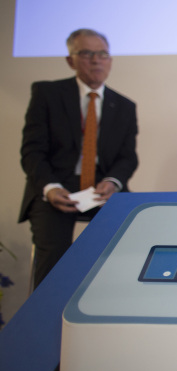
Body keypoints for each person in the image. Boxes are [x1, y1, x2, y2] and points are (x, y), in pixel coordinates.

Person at [19, 28, 138, 289]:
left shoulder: (125, 106)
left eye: (102, 54)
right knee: (54, 255)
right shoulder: (47, 94)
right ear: (70, 60)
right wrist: (50, 188)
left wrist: (113, 181)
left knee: (124, 248)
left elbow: (128, 158)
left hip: (102, 188)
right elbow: (32, 151)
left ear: (110, 60)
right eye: (86, 53)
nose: (96, 60)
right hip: (55, 187)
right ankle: (43, 317)